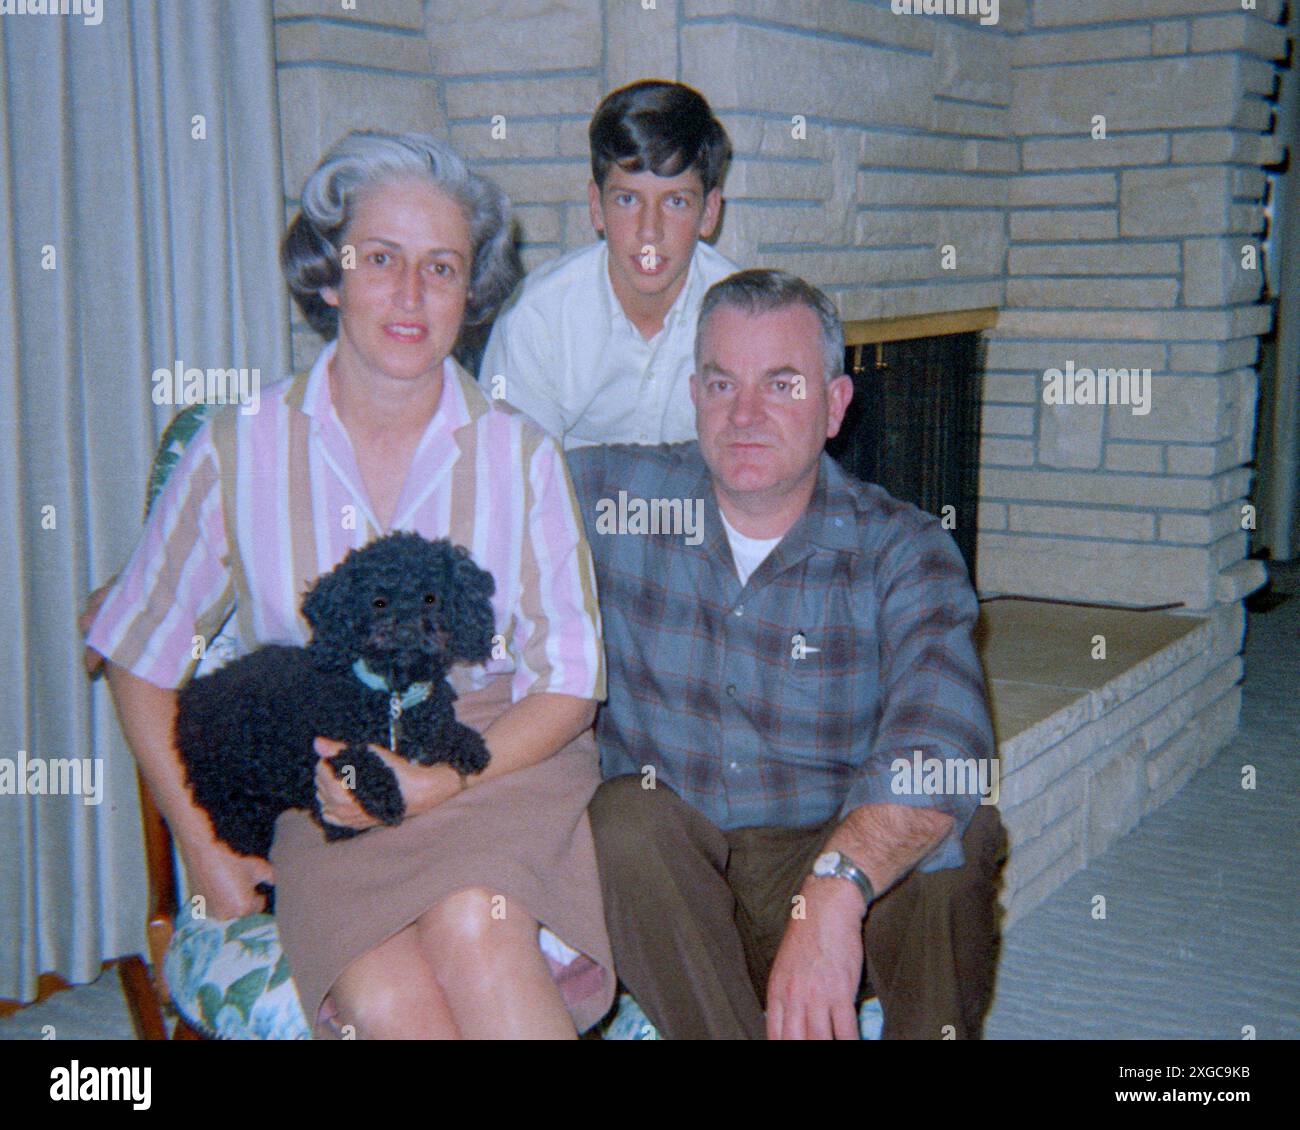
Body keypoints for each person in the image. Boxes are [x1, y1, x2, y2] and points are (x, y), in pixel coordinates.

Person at [86, 131, 614, 1039]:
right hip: (329, 776)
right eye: (380, 259)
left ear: (471, 291)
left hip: (493, 758)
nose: (410, 295)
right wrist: (206, 846)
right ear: (329, 276)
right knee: (388, 996)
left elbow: (570, 681)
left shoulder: (519, 454)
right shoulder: (238, 448)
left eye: (441, 267)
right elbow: (136, 648)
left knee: (474, 929)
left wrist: (440, 782)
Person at [565, 269, 1009, 1040]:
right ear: (694, 392)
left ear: (834, 405)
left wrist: (834, 891)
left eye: (781, 384)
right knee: (620, 820)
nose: (745, 415)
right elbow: (471, 489)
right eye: (721, 383)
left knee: (959, 838)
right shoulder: (612, 499)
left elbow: (945, 750)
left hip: (833, 865)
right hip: (677, 891)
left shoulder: (902, 548)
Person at [480, 79, 740, 449]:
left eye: (676, 202)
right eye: (627, 200)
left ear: (709, 212)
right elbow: (514, 480)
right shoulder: (536, 317)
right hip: (568, 504)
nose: (650, 232)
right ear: (596, 206)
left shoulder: (745, 316)